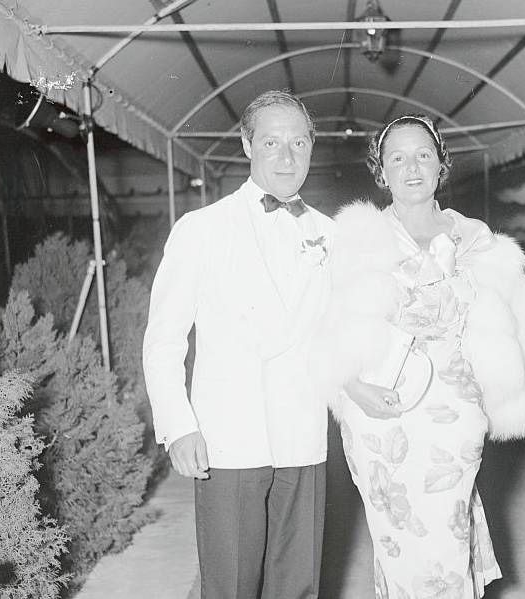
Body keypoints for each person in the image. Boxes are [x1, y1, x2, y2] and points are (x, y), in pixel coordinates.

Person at [310, 114, 525, 598]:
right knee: (396, 542)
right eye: (397, 157)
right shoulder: (357, 236)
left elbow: (515, 328)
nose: (411, 167)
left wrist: (495, 388)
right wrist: (352, 387)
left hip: (454, 415)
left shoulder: (476, 239)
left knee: (444, 538)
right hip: (378, 416)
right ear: (382, 171)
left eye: (423, 155)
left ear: (441, 164)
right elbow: (327, 329)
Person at [142, 90, 334, 599]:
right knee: (229, 586)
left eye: (298, 143)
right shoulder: (201, 229)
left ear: (312, 147)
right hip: (228, 440)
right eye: (271, 142)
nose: (286, 157)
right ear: (247, 145)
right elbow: (163, 339)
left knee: (298, 586)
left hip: (303, 436)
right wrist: (179, 426)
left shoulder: (332, 234)